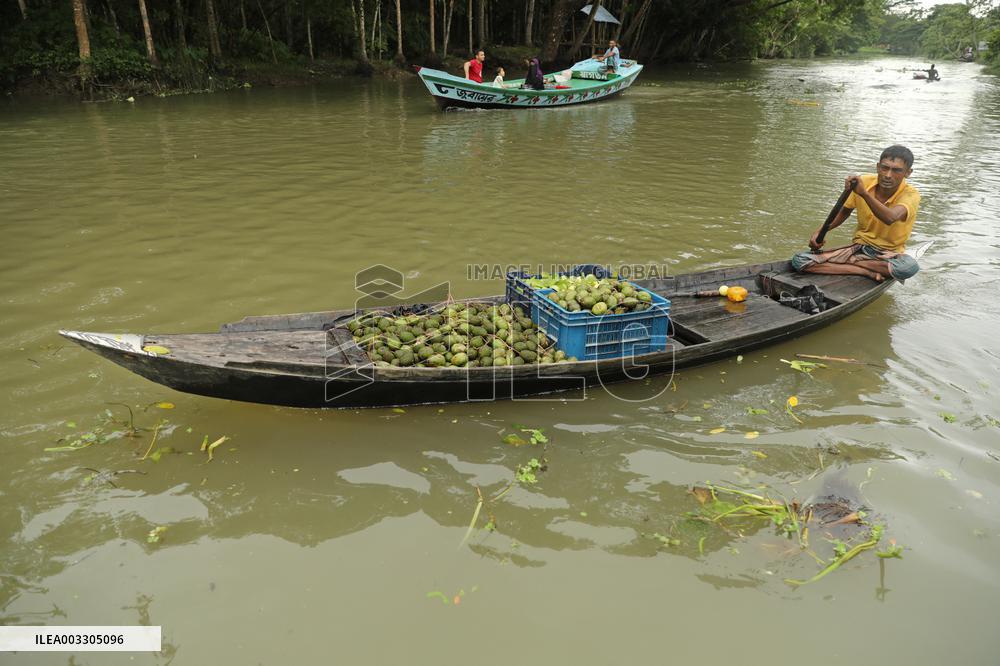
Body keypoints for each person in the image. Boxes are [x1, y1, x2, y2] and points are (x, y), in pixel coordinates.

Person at [791, 145, 921, 283]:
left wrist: (864, 194)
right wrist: (820, 231)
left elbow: (890, 218)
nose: (888, 175)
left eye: (896, 170)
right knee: (799, 260)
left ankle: (849, 263)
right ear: (878, 167)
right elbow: (844, 212)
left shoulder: (911, 194)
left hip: (888, 254)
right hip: (859, 248)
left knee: (908, 268)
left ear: (908, 173)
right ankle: (864, 271)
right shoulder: (864, 182)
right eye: (884, 168)